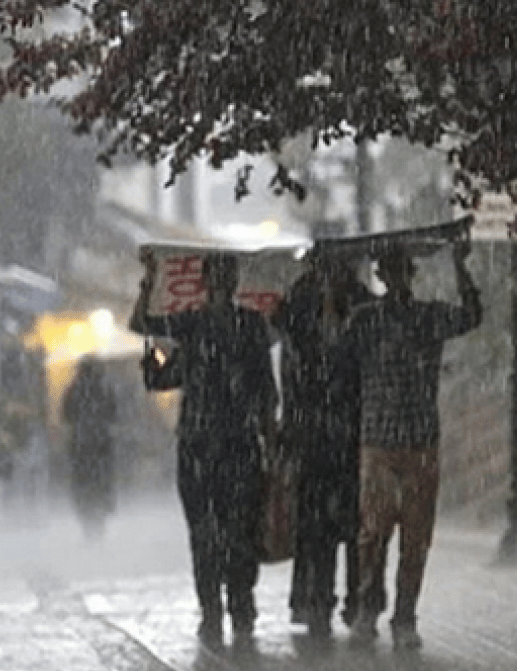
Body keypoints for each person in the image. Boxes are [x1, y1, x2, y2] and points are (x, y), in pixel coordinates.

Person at [334, 239, 482, 650]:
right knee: (372, 533)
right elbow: (338, 363)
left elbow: (471, 315)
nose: (396, 278)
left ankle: (404, 615)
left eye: (401, 271)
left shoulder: (428, 317)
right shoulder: (364, 320)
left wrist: (461, 268)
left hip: (418, 440)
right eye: (389, 271)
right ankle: (368, 606)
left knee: (415, 537)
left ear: (408, 275)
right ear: (382, 276)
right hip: (379, 441)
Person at [130, 252, 278, 648]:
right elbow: (143, 328)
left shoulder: (239, 326)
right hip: (208, 446)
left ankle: (232, 608)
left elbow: (264, 389)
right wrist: (149, 281)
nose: (222, 284)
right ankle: (221, 609)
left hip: (228, 445)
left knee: (232, 532)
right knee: (213, 533)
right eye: (219, 276)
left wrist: (270, 435)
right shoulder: (200, 325)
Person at [276, 251, 377, 638]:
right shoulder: (301, 302)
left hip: (349, 431)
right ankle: (317, 601)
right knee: (316, 525)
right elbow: (293, 362)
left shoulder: (360, 302)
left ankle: (356, 599)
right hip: (316, 432)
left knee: (353, 524)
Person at [61, 358, 119, 540]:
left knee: (84, 485)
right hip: (101, 445)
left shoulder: (73, 390)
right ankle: (98, 522)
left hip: (81, 446)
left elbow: (66, 415)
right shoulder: (104, 389)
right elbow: (114, 413)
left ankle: (87, 522)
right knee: (100, 484)